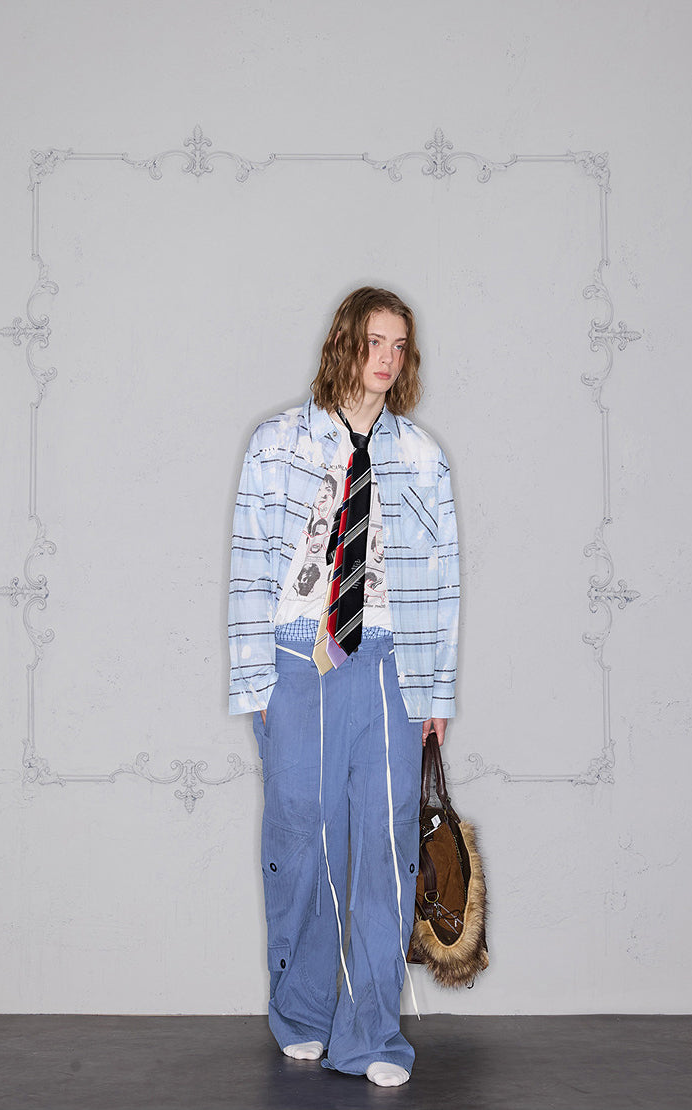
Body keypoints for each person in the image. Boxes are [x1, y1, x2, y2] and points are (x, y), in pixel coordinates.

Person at [228, 286, 459, 1087]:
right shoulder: (276, 443)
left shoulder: (422, 457)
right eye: (374, 341)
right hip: (301, 658)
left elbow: (443, 582)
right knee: (302, 836)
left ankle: (370, 1036)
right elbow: (249, 565)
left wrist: (434, 695)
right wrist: (257, 681)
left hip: (391, 661)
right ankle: (303, 1013)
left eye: (399, 345)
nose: (386, 358)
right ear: (344, 344)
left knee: (387, 847)